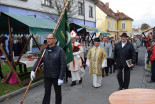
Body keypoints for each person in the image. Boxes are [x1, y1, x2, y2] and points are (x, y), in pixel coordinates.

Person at [31, 33, 66, 104]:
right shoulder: (44, 50)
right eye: (47, 38)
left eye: (50, 38)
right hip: (47, 76)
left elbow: (63, 65)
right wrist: (33, 70)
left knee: (58, 94)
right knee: (47, 93)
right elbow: (39, 60)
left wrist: (61, 77)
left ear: (55, 39)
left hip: (56, 76)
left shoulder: (60, 50)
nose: (48, 40)